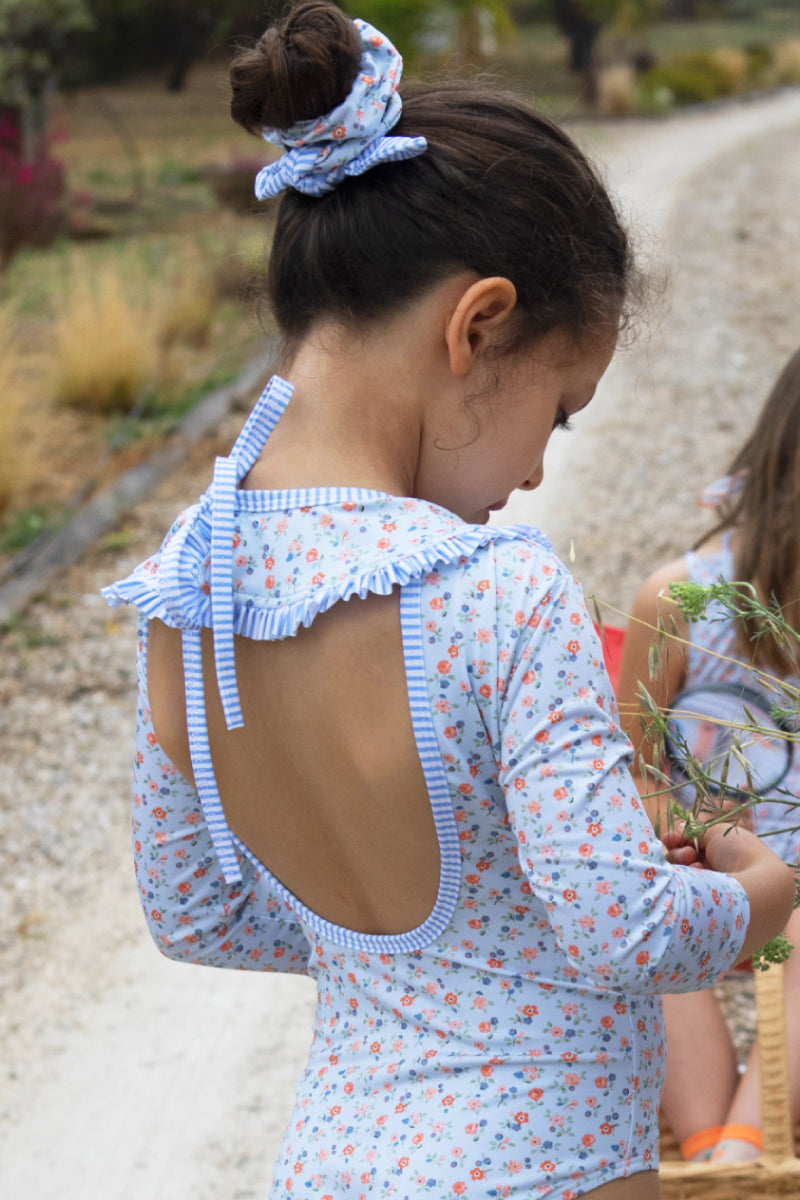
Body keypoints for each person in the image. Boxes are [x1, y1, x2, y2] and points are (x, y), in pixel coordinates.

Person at [103, 4, 794, 1195]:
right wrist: (758, 890)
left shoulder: (185, 584)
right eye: (559, 411)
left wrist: (455, 935)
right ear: (476, 324)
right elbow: (624, 933)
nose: (535, 469)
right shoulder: (493, 587)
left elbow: (195, 915)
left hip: (329, 1166)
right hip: (537, 1168)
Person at [616, 347, 800, 1165]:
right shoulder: (682, 598)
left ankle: (736, 1152)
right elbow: (628, 768)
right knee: (639, 917)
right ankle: (715, 1150)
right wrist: (699, 832)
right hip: (711, 882)